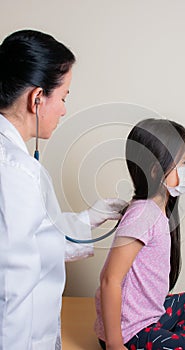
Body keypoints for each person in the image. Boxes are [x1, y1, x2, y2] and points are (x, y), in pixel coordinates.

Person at [0, 29, 126, 350]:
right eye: (64, 96)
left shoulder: (17, 166)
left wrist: (91, 218)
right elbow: (11, 290)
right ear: (37, 98)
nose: (64, 109)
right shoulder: (14, 172)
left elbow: (38, 243)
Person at [94, 118, 185, 350]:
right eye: (183, 162)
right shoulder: (142, 215)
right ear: (156, 171)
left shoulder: (155, 209)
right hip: (131, 334)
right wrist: (114, 344)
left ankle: (182, 340)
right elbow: (110, 280)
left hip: (151, 316)